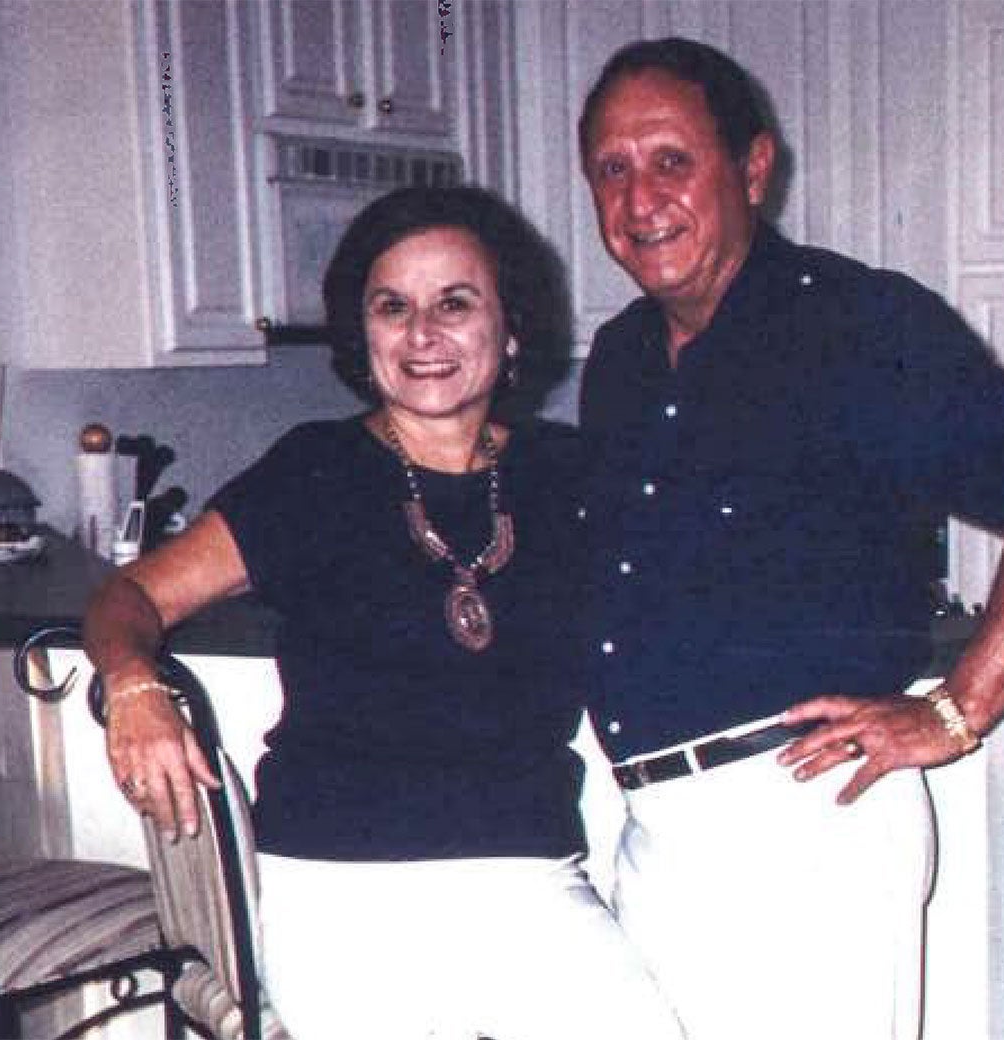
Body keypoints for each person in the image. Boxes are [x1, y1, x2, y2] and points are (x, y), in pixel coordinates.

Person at [574, 37, 1004, 1040]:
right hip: (655, 827)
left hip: (805, 821)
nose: (639, 198)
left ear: (752, 167)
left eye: (671, 159)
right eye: (611, 169)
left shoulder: (857, 326)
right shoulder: (621, 357)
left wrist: (958, 711)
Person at [83, 185, 684, 1040]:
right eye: (393, 307)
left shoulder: (570, 473)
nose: (424, 335)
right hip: (337, 887)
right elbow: (128, 595)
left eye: (456, 303)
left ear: (511, 329)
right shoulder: (315, 473)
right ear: (363, 337)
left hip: (529, 876)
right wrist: (133, 682)